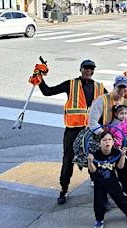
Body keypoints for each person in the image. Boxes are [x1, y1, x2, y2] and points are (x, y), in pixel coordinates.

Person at [38, 59, 106, 205]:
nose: (89, 71)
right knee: (68, 158)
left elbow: (110, 103)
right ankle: (64, 189)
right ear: (80, 69)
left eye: (91, 69)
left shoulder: (100, 87)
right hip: (73, 129)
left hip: (91, 130)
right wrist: (39, 79)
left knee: (94, 157)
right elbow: (48, 92)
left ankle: (97, 184)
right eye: (86, 68)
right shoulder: (71, 84)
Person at [88, 75, 127, 208]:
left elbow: (126, 125)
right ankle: (103, 199)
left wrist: (123, 141)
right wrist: (107, 137)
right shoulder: (102, 101)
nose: (122, 90)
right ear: (114, 87)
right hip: (103, 138)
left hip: (119, 141)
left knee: (123, 169)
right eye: (119, 87)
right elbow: (92, 123)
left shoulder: (126, 103)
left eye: (124, 88)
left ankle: (126, 195)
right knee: (103, 170)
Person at [87, 131, 127, 228]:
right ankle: (99, 219)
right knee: (98, 202)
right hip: (99, 183)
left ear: (113, 142)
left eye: (109, 140)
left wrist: (122, 156)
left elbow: (120, 167)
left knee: (120, 198)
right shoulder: (95, 155)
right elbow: (93, 170)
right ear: (99, 143)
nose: (107, 142)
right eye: (104, 140)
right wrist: (90, 161)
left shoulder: (116, 153)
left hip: (112, 181)